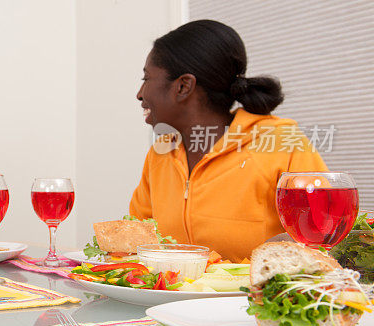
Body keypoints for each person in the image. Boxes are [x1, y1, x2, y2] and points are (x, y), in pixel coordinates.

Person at [130, 20, 327, 262]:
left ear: (183, 86)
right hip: (168, 300)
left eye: (146, 78)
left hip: (256, 299)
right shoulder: (161, 153)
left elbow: (325, 237)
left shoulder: (282, 144)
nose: (140, 94)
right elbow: (136, 245)